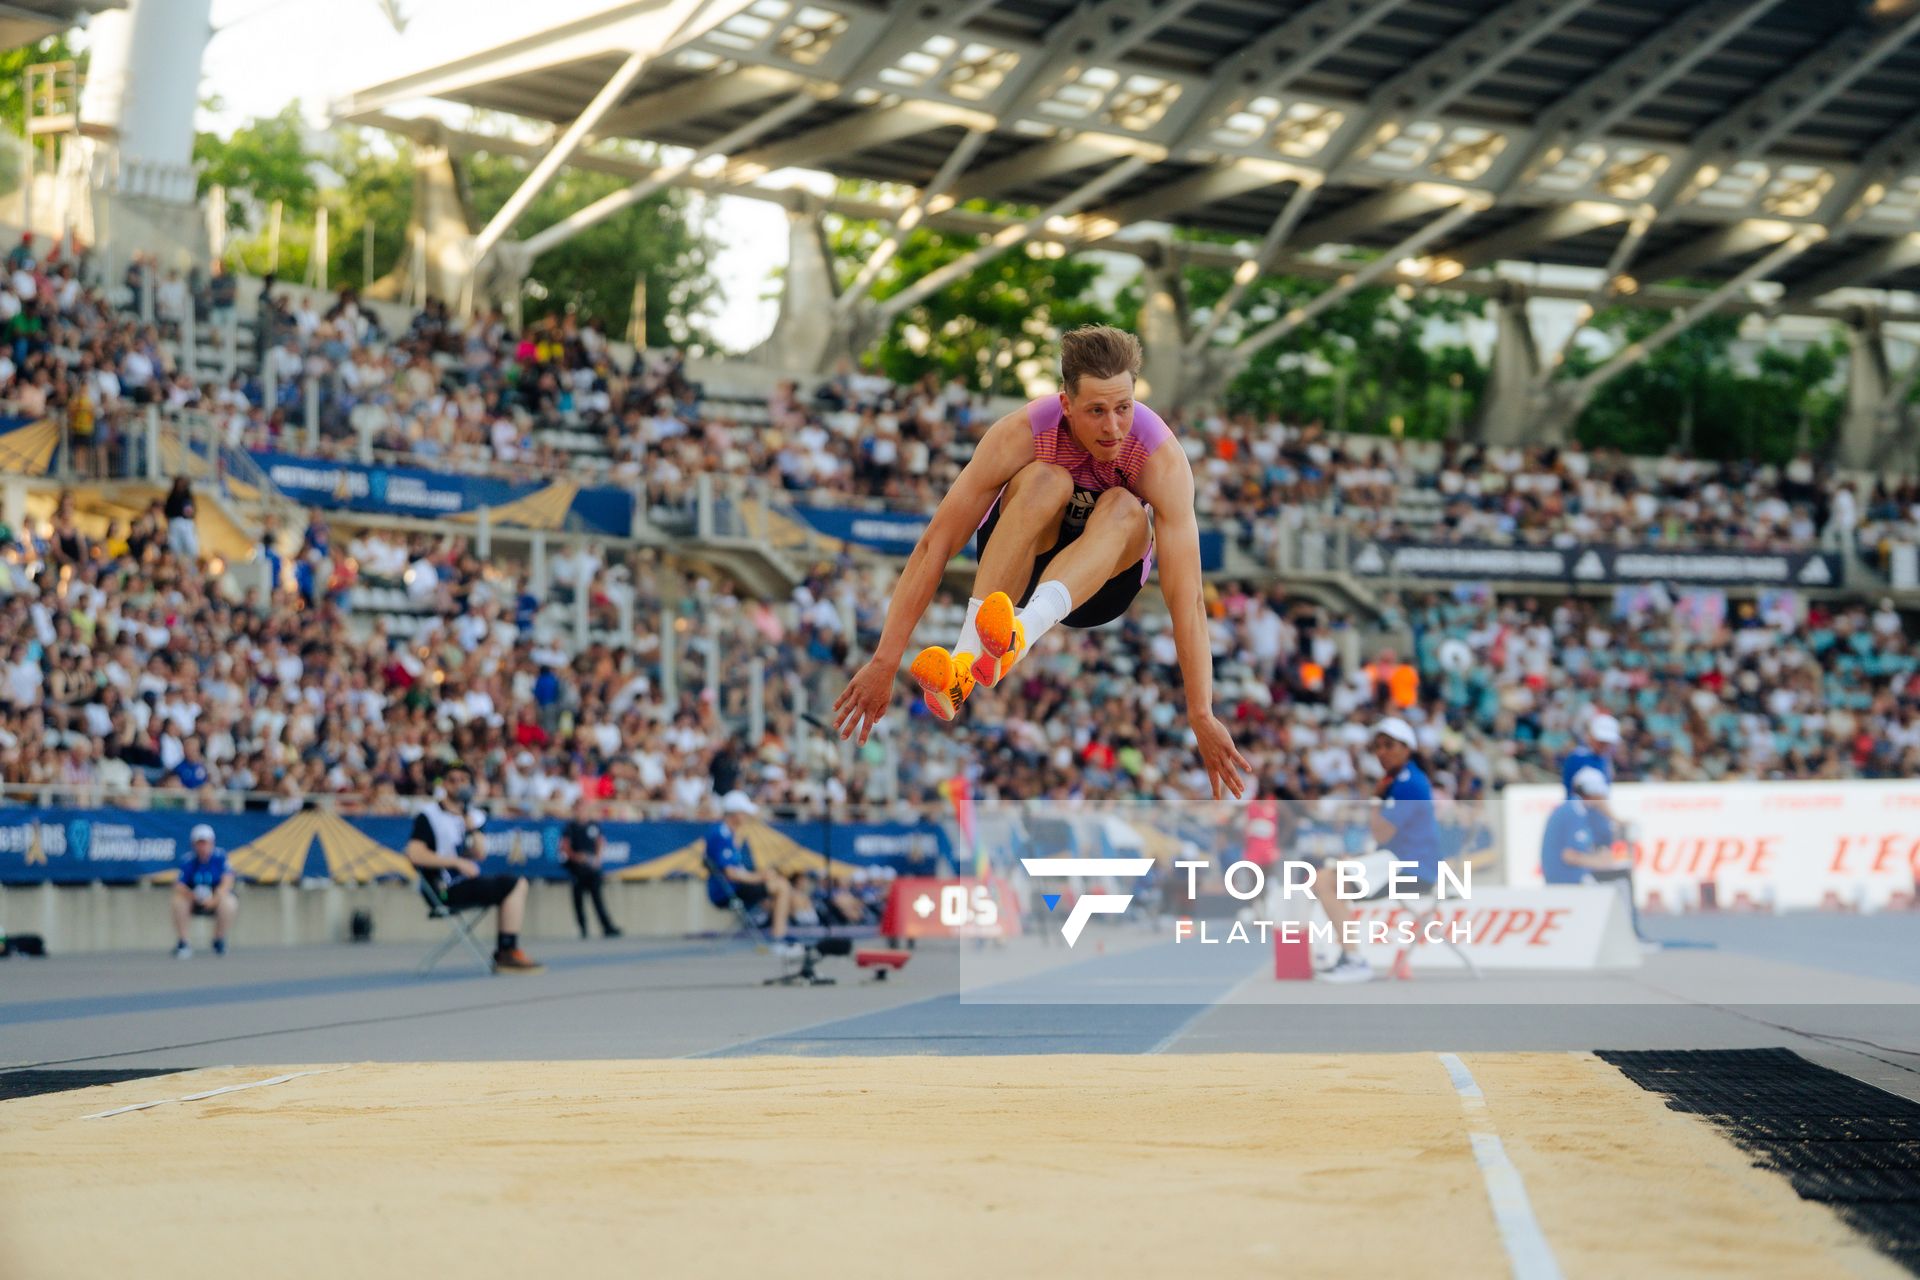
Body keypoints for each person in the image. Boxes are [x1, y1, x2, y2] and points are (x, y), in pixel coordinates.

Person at [833, 325, 1249, 800]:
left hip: (1100, 584)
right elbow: (936, 544)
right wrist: (886, 660)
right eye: (1096, 411)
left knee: (1123, 505)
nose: (1114, 428)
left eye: (1124, 408)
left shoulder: (1160, 458)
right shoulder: (1021, 433)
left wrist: (1201, 711)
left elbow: (1187, 597)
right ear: (1066, 403)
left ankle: (1015, 636)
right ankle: (964, 668)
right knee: (1045, 480)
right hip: (1021, 555)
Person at [1310, 717, 1442, 984]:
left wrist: (1375, 799)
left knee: (1325, 880)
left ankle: (1354, 959)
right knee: (1326, 880)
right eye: (1378, 746)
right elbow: (1385, 838)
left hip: (1414, 870)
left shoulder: (1408, 782)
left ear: (1407, 748)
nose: (1381, 752)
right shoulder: (1401, 780)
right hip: (1400, 863)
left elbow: (1381, 832)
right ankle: (1346, 956)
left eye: (1388, 745)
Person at [405, 766, 543, 973]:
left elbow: (480, 853)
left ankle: (508, 949)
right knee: (514, 884)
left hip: (465, 881)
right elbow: (414, 853)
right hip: (443, 887)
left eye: (463, 780)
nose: (458, 784)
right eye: (452, 780)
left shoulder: (473, 816)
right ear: (444, 784)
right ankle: (507, 951)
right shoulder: (429, 815)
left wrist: (469, 824)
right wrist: (455, 863)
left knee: (516, 883)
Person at [704, 791, 800, 955]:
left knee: (776, 882)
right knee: (781, 887)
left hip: (734, 885)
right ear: (735, 814)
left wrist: (761, 875)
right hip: (727, 890)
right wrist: (759, 877)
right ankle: (778, 938)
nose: (747, 816)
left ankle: (778, 932)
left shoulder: (728, 833)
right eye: (744, 812)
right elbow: (731, 873)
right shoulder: (721, 834)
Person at [560, 797, 621, 940]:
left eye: (583, 807)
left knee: (598, 899)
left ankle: (607, 927)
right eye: (578, 808)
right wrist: (576, 857)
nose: (581, 811)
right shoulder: (570, 827)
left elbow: (600, 842)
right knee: (578, 900)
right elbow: (565, 846)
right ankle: (583, 928)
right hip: (577, 868)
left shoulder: (593, 825)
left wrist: (597, 859)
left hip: (592, 868)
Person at [172, 824, 236, 959]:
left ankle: (219, 939)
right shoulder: (188, 860)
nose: (203, 847)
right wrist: (192, 896)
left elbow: (228, 880)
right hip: (193, 897)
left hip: (215, 896)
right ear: (193, 844)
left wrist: (215, 898)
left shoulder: (220, 857)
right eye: (199, 843)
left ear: (212, 843)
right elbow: (179, 885)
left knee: (230, 902)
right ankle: (183, 942)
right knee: (178, 901)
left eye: (205, 843)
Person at [1561, 712, 1619, 796]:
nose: (1604, 746)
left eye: (1607, 743)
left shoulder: (1604, 758)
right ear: (1591, 736)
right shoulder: (1578, 757)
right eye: (1601, 742)